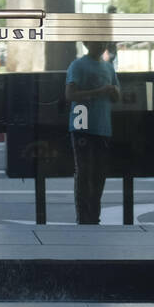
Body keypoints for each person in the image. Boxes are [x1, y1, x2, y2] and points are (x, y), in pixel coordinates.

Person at [65, 40, 119, 225]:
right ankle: (83, 217)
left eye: (104, 41)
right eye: (98, 41)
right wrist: (99, 91)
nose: (102, 44)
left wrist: (112, 92)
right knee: (84, 172)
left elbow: (117, 95)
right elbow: (70, 95)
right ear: (87, 43)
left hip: (102, 127)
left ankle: (94, 216)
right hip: (83, 124)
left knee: (99, 174)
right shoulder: (78, 65)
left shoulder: (108, 67)